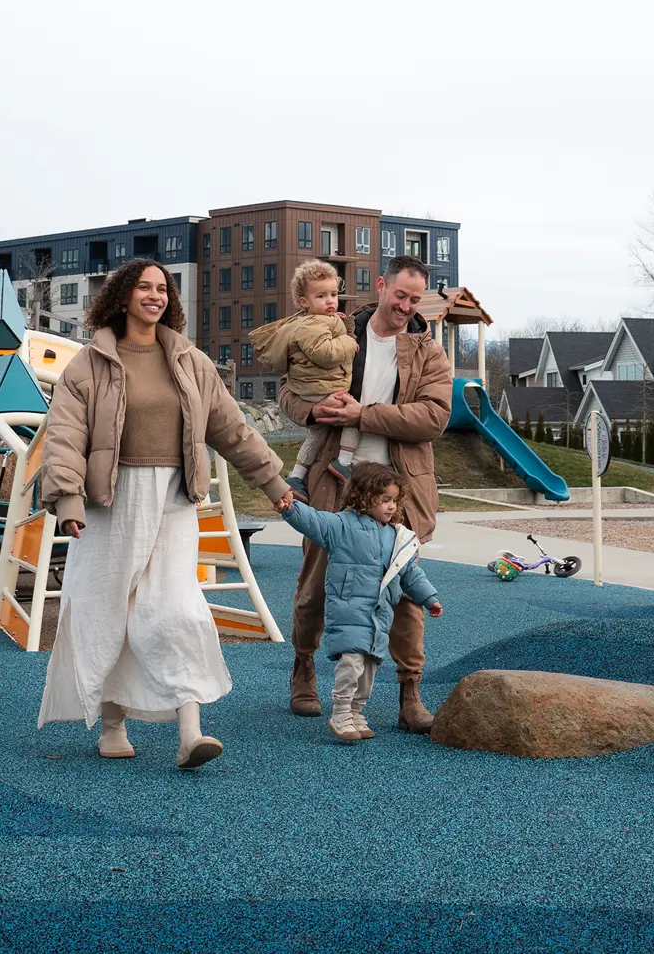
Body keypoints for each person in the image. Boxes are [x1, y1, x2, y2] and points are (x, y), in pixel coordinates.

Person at [38, 258, 292, 769]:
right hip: (110, 501)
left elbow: (231, 428)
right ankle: (112, 721)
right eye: (144, 287)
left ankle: (190, 730)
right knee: (107, 607)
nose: (155, 295)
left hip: (175, 498)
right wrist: (67, 500)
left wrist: (273, 481)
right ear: (122, 296)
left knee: (176, 607)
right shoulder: (89, 364)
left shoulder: (189, 360)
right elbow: (65, 437)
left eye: (162, 289)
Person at [280, 254, 452, 734]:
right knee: (317, 581)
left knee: (403, 589)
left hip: (399, 486)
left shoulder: (428, 352)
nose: (406, 305)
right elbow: (288, 390)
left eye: (416, 299)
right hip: (335, 478)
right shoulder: (334, 332)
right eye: (400, 295)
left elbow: (434, 418)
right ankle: (304, 667)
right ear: (381, 285)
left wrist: (365, 415)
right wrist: (316, 411)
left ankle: (409, 691)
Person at [281, 463, 443, 741]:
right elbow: (313, 520)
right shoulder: (342, 525)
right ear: (363, 497)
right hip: (348, 612)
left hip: (378, 618)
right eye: (384, 500)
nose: (391, 507)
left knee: (368, 672)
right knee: (351, 666)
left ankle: (356, 711)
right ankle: (341, 712)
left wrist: (429, 598)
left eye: (394, 500)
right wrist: (290, 508)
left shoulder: (396, 536)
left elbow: (410, 573)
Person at [249, 260, 359, 501]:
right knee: (354, 420)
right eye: (321, 296)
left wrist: (339, 324)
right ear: (304, 302)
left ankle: (297, 475)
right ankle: (344, 462)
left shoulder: (317, 320)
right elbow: (326, 353)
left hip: (312, 389)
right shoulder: (310, 325)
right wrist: (350, 341)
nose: (330, 301)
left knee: (316, 435)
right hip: (321, 389)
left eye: (333, 294)